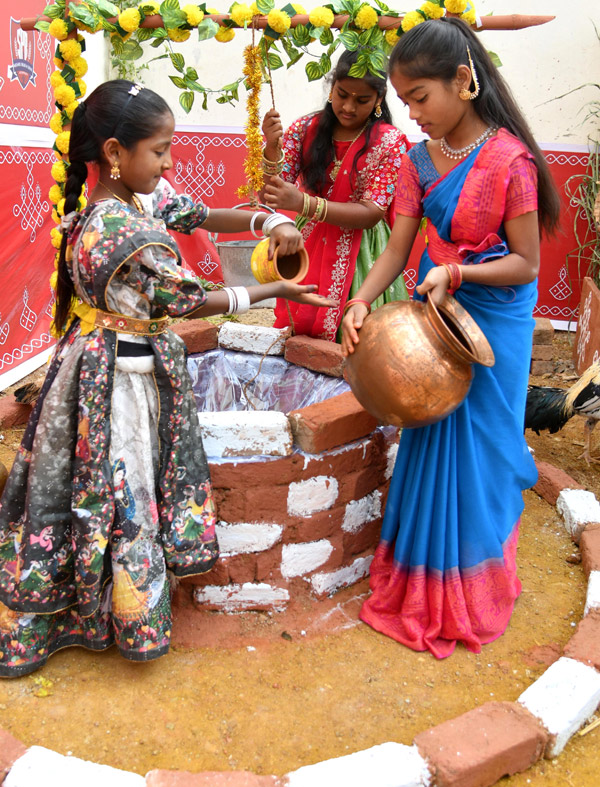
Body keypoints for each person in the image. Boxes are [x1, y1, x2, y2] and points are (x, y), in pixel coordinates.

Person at [0, 79, 332, 677]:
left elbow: (197, 212)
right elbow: (184, 300)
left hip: (108, 361)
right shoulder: (118, 230)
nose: (169, 161)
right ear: (113, 153)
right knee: (120, 488)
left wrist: (268, 220)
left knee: (95, 486)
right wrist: (274, 288)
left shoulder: (132, 204)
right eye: (159, 150)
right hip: (117, 380)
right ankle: (110, 612)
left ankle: (102, 604)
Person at [341, 18, 560, 659]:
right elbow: (397, 249)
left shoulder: (509, 160)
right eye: (403, 101)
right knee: (428, 438)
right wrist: (358, 300)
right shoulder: (417, 161)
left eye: (420, 98)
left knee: (480, 454)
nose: (411, 115)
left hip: (491, 325)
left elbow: (526, 264)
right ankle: (423, 580)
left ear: (464, 82)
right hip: (432, 326)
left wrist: (460, 270)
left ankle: (473, 580)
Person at [261, 50, 410, 341]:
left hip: (364, 253)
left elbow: (372, 213)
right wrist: (270, 148)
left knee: (363, 343)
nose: (349, 107)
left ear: (379, 99)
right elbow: (271, 193)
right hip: (309, 248)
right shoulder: (305, 129)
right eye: (342, 94)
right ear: (331, 88)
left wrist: (304, 203)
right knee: (301, 341)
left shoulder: (390, 142)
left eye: (362, 100)